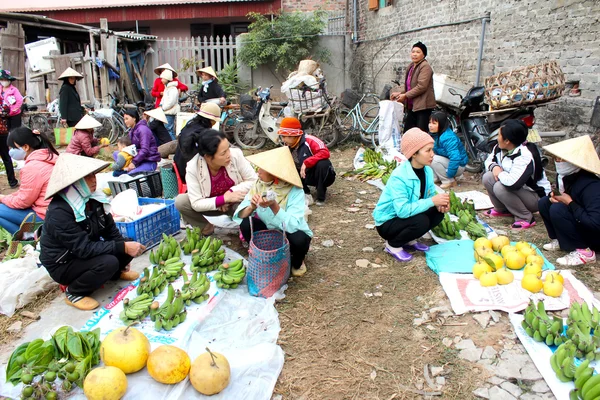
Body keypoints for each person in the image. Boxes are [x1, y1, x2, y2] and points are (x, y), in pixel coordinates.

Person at [40, 153, 146, 310]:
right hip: (64, 263)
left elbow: (110, 231)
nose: (94, 179)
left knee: (125, 242)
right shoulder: (59, 212)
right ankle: (74, 292)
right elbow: (83, 249)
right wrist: (121, 248)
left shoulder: (94, 200)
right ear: (74, 183)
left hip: (85, 252)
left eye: (93, 175)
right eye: (87, 177)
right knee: (109, 261)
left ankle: (116, 273)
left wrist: (125, 249)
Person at [373, 128, 449, 262]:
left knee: (437, 213)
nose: (432, 154)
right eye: (428, 150)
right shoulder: (400, 176)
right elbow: (402, 211)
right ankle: (392, 245)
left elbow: (429, 196)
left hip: (406, 217)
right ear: (414, 154)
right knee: (421, 221)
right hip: (388, 222)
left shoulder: (427, 171)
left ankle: (409, 240)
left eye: (432, 149)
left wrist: (440, 203)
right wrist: (432, 201)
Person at [234, 146, 312, 277]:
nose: (258, 172)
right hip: (269, 230)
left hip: (288, 232)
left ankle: (297, 261)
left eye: (261, 169)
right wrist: (251, 206)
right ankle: (264, 254)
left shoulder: (295, 191)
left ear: (274, 173)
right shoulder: (260, 184)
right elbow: (240, 214)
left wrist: (274, 206)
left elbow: (293, 225)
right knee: (246, 223)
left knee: (300, 239)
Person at [175, 129, 256, 235]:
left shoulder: (236, 155)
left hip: (235, 203)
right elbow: (196, 203)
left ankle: (244, 228)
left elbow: (253, 180)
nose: (229, 155)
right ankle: (206, 227)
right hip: (213, 206)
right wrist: (222, 200)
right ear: (208, 157)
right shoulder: (193, 168)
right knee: (181, 201)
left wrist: (231, 193)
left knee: (251, 212)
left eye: (228, 149)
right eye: (223, 153)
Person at [538, 135, 600, 266]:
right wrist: (556, 197)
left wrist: (570, 203)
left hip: (595, 234)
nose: (558, 162)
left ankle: (585, 252)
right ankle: (560, 240)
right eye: (556, 158)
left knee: (558, 209)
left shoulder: (592, 186)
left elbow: (595, 223)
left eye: (562, 159)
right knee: (545, 202)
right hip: (580, 219)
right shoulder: (566, 176)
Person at [482, 119, 551, 229]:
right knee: (487, 177)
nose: (497, 138)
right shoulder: (500, 148)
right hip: (517, 190)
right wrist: (494, 167)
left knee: (500, 187)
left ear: (507, 141)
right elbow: (488, 161)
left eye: (499, 135)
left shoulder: (525, 155)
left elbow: (513, 183)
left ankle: (525, 217)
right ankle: (502, 209)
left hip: (535, 197)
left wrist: (499, 173)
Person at [0, 127, 58, 233]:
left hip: (45, 215)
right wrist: (7, 197)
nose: (10, 151)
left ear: (26, 147)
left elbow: (23, 202)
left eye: (12, 148)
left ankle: (27, 237)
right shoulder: (49, 155)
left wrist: (3, 199)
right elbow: (27, 191)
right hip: (58, 212)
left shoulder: (32, 167)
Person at [277, 117, 336, 205]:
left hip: (321, 175)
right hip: (303, 175)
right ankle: (304, 191)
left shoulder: (310, 140)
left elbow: (325, 152)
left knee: (323, 163)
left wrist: (307, 162)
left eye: (284, 137)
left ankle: (321, 195)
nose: (283, 140)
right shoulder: (287, 146)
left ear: (293, 135)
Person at [390, 42, 436, 133]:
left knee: (420, 134)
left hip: (423, 106)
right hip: (412, 106)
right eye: (413, 51)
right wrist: (400, 93)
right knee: (408, 132)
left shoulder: (425, 67)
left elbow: (421, 86)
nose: (414, 54)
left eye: (418, 52)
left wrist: (405, 96)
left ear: (424, 55)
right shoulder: (411, 66)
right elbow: (409, 86)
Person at [174, 102, 221, 184]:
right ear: (210, 120)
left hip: (179, 165)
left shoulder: (191, 125)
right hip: (187, 172)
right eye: (214, 121)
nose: (215, 123)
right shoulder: (202, 133)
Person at [429, 111, 468, 189]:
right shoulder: (435, 135)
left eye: (434, 123)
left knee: (433, 159)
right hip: (447, 161)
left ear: (441, 124)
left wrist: (450, 174)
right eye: (430, 123)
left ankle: (448, 180)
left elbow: (455, 158)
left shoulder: (448, 137)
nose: (430, 125)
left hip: (458, 166)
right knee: (427, 156)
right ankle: (436, 177)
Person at [0, 69, 22, 188]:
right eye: (2, 80)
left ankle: (12, 181)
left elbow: (19, 101)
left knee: (13, 135)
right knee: (5, 156)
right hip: (2, 125)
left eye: (5, 80)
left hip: (11, 117)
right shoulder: (0, 91)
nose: (4, 82)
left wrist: (11, 110)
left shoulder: (14, 90)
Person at [123, 109, 161, 175]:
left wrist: (133, 163)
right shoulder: (132, 131)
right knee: (116, 154)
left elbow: (144, 149)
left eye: (127, 119)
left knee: (130, 175)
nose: (125, 121)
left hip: (149, 161)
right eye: (124, 119)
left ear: (134, 118)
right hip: (140, 160)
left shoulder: (143, 130)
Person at [158, 70, 180, 140]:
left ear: (167, 79)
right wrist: (160, 105)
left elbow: (171, 102)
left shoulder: (173, 89)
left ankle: (174, 144)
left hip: (169, 112)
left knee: (169, 130)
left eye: (163, 78)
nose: (161, 80)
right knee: (167, 129)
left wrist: (163, 108)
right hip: (166, 111)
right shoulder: (167, 88)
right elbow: (163, 99)